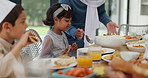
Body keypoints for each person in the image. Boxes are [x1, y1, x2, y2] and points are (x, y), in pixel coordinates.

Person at [0, 0, 35, 78]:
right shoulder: (14, 46)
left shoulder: (13, 44)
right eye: (22, 22)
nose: (26, 25)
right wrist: (19, 45)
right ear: (7, 27)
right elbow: (2, 72)